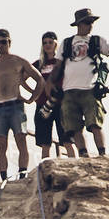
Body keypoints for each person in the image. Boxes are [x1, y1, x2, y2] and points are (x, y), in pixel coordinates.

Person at [57, 9, 109, 158]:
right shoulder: (67, 43)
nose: (91, 25)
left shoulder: (96, 40)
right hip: (69, 89)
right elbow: (58, 65)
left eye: (92, 22)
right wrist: (50, 83)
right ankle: (83, 155)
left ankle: (102, 154)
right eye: (88, 22)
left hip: (90, 88)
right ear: (79, 24)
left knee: (94, 123)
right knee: (73, 126)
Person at [0, 29, 34, 182]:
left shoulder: (18, 60)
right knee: (1, 144)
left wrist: (32, 97)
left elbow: (38, 78)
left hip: (16, 104)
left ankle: (23, 174)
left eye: (3, 41)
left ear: (9, 42)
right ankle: (4, 177)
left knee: (21, 141)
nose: (0, 45)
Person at [29, 30, 64, 172]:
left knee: (67, 138)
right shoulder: (39, 64)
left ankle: (74, 163)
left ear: (56, 43)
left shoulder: (62, 62)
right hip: (44, 104)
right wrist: (33, 93)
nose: (47, 45)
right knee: (45, 141)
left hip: (61, 102)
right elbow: (21, 76)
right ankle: (45, 170)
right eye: (45, 43)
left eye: (50, 42)